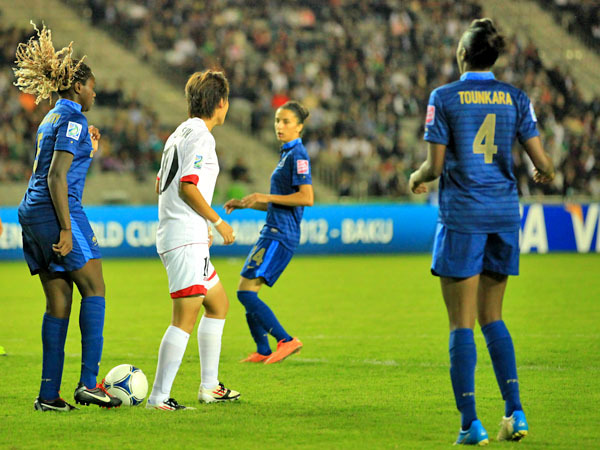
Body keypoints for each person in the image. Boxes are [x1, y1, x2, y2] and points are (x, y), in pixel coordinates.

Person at [409, 19, 555, 445]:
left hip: (463, 216)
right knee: (493, 317)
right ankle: (516, 412)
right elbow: (544, 164)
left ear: (462, 54)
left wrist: (414, 177)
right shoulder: (516, 97)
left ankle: (471, 424)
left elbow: (435, 167)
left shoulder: (444, 97)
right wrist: (543, 172)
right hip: (504, 215)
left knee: (461, 323)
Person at [13, 23, 121, 411]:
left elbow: (57, 169)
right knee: (95, 287)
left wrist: (88, 152)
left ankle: (48, 395)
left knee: (58, 302)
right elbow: (57, 177)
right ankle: (89, 384)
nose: (95, 93)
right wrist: (65, 228)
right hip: (56, 212)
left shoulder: (51, 118)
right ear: (78, 87)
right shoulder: (74, 120)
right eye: (92, 87)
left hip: (31, 212)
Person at [146, 69, 240, 411]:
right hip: (184, 237)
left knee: (218, 304)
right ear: (220, 103)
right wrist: (217, 221)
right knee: (184, 318)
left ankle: (209, 386)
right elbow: (188, 186)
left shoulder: (179, 133)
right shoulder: (201, 137)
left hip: (185, 233)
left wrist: (201, 226)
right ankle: (158, 397)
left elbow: (161, 184)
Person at [224, 101, 313, 364]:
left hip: (281, 234)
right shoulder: (287, 154)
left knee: (245, 293)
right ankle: (263, 349)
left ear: (299, 127)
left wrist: (265, 196)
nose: (279, 126)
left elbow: (306, 198)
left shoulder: (298, 155)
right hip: (272, 230)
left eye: (286, 121)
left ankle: (286, 340)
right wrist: (247, 204)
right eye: (277, 120)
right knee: (245, 290)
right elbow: (279, 202)